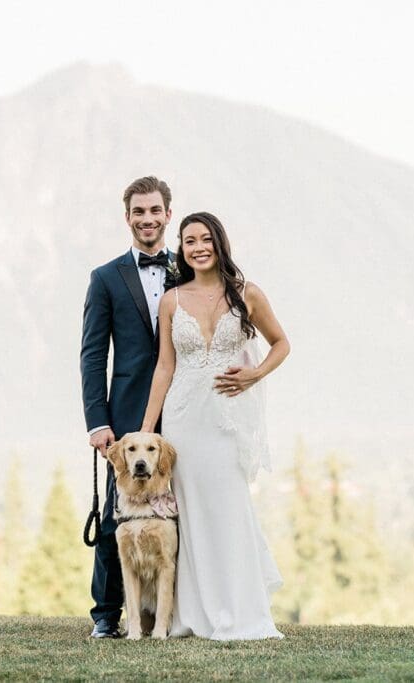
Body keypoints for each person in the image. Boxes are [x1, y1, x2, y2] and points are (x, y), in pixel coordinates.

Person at [140, 211, 290, 640]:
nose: (198, 247)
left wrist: (254, 374)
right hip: (184, 419)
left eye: (205, 239)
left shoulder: (247, 293)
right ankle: (197, 613)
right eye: (189, 241)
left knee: (229, 507)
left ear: (219, 242)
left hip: (226, 419)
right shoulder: (172, 301)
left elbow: (282, 343)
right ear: (182, 249)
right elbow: (165, 367)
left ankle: (241, 610)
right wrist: (149, 430)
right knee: (192, 514)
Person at [80, 175, 177, 638]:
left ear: (168, 215)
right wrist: (98, 421)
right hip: (126, 416)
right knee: (116, 516)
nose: (147, 219)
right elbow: (93, 354)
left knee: (187, 510)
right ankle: (106, 615)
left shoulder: (189, 269)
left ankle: (184, 612)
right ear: (127, 218)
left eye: (155, 210)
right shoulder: (105, 278)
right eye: (139, 211)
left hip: (184, 410)